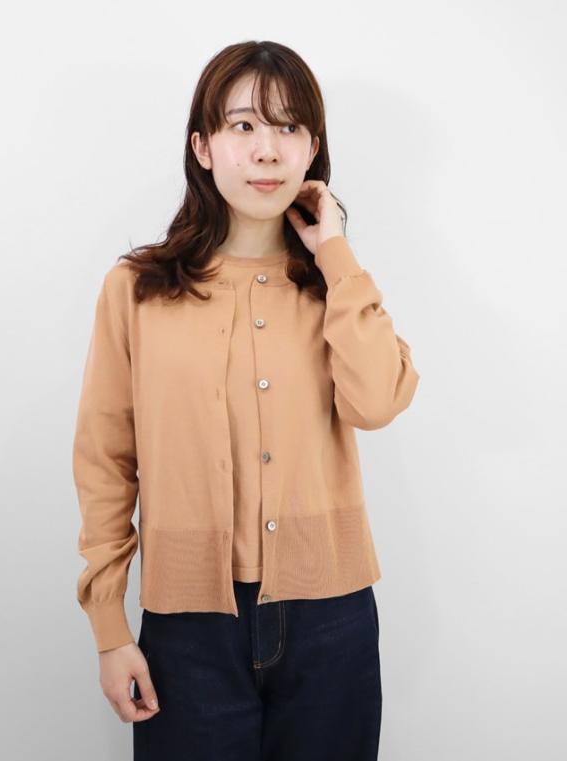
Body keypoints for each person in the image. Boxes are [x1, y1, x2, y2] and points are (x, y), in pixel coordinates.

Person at [72, 39, 420, 761]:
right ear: (202, 146)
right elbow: (106, 460)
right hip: (187, 629)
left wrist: (335, 253)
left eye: (289, 127)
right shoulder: (136, 290)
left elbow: (380, 401)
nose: (267, 149)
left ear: (312, 149)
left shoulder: (335, 287)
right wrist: (110, 626)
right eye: (243, 126)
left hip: (332, 620)